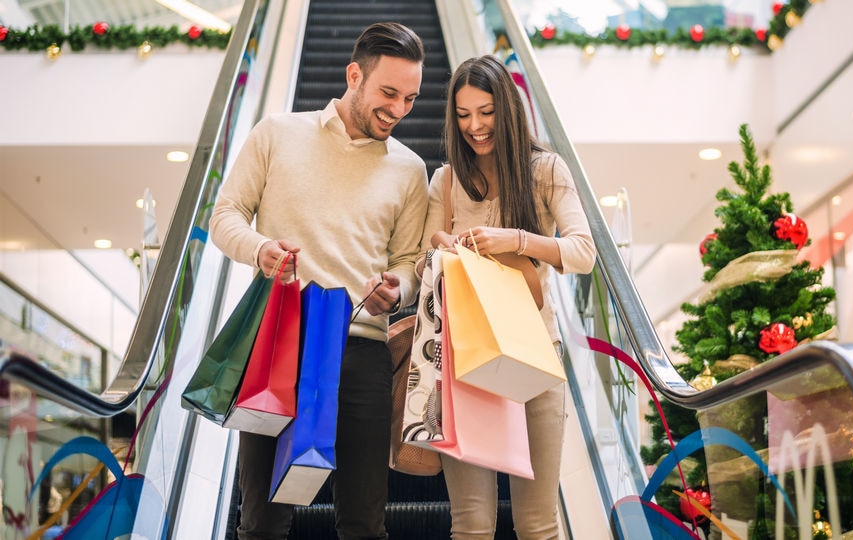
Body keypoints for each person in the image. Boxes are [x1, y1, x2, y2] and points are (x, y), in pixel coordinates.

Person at [209, 22, 428, 540]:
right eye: (388, 93)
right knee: (262, 521)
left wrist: (397, 289)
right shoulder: (276, 133)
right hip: (279, 344)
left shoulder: (410, 169)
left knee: (364, 524)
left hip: (362, 352)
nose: (398, 110)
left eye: (411, 99)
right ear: (355, 75)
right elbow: (226, 215)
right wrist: (261, 249)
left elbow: (409, 262)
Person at [419, 55, 596, 539]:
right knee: (472, 523)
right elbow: (421, 267)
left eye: (486, 111)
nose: (475, 126)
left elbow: (583, 253)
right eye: (463, 114)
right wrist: (441, 247)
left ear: (509, 109)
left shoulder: (545, 170)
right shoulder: (447, 180)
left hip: (536, 353)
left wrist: (514, 240)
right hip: (464, 362)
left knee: (538, 523)